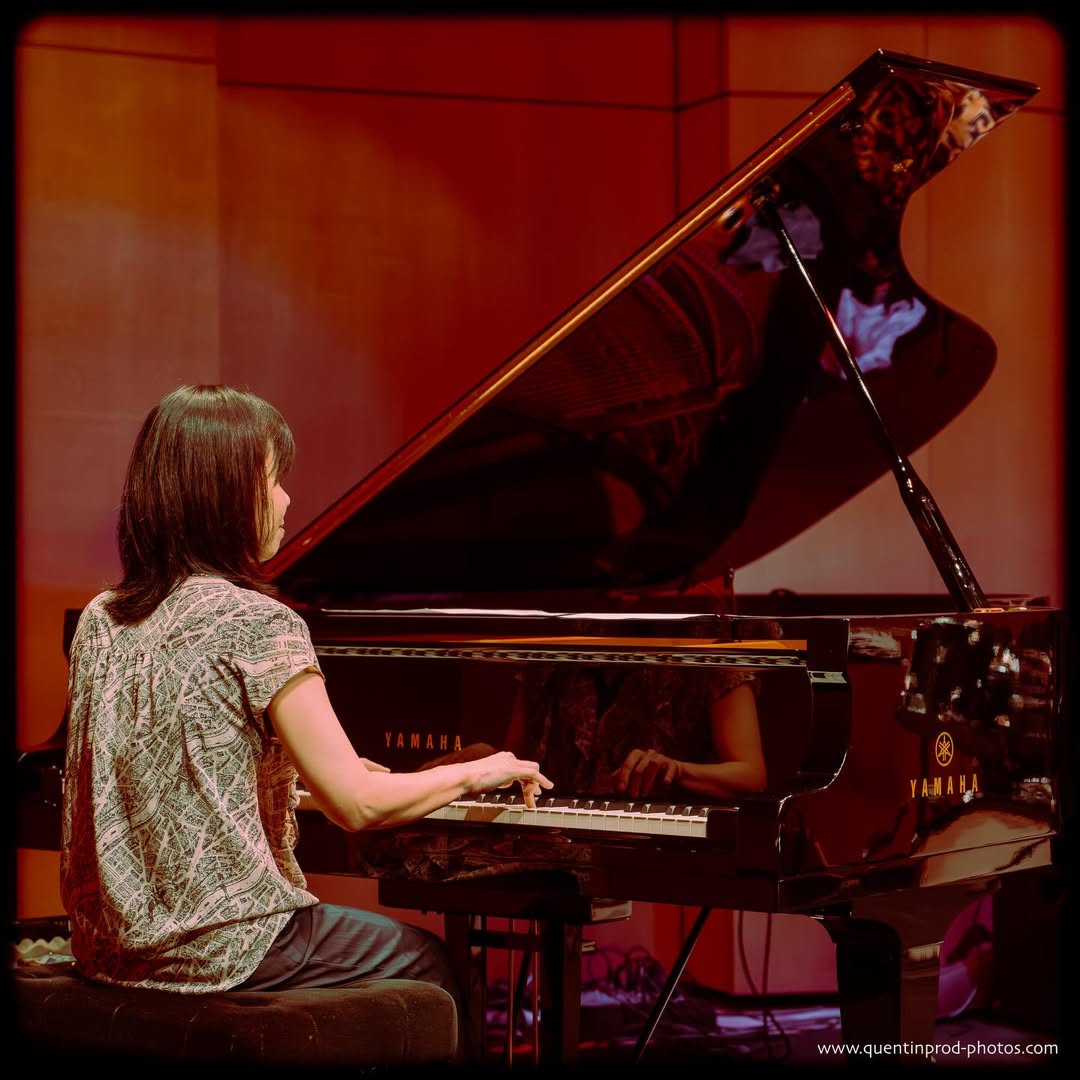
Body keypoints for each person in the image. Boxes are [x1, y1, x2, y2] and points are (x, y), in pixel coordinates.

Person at [59, 384, 552, 1036]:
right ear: (225, 493)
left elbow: (182, 765)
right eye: (273, 479)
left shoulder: (102, 619)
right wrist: (476, 773)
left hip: (110, 948)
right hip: (222, 946)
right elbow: (355, 808)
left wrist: (329, 771)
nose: (287, 500)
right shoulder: (258, 622)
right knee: (429, 963)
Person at [506, 663, 766, 801]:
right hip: (553, 840)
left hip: (661, 848)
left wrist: (676, 770)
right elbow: (517, 756)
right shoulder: (550, 651)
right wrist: (490, 760)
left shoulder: (708, 652)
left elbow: (751, 776)